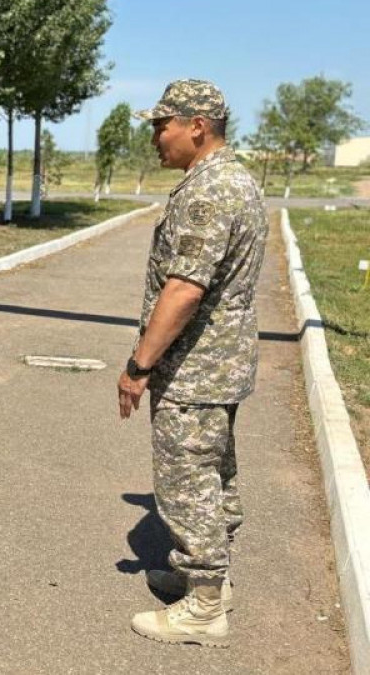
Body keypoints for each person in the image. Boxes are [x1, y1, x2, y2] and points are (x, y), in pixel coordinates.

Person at [120, 79, 266, 648]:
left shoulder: (211, 191)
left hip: (196, 370)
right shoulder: (231, 180)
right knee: (213, 475)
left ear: (197, 126)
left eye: (163, 125)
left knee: (186, 483)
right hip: (218, 365)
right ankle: (208, 581)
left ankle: (204, 608)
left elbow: (183, 289)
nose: (156, 136)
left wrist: (138, 365)